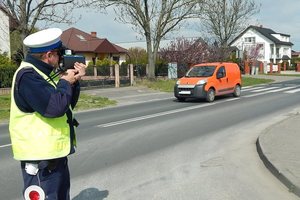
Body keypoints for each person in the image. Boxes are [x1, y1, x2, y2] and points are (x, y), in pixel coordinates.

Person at [9, 28, 86, 200]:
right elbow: (55, 108)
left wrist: (73, 82)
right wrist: (65, 82)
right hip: (40, 161)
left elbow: (66, 104)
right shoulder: (28, 77)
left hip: (54, 155)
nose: (62, 57)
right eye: (59, 53)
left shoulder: (44, 75)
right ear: (49, 55)